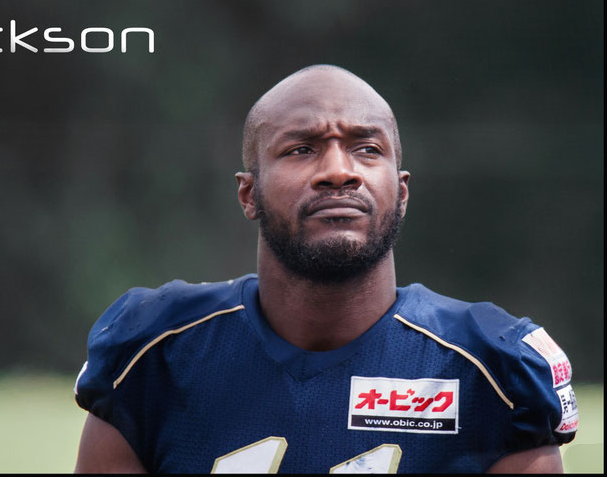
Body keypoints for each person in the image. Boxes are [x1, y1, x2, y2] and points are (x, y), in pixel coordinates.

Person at [72, 65, 577, 473]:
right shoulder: (154, 354)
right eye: (301, 149)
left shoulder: (493, 371)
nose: (339, 171)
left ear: (401, 193)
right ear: (249, 194)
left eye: (367, 148)